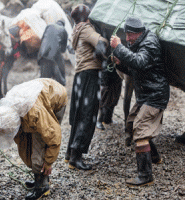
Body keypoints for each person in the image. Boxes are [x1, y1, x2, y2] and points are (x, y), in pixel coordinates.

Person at [110, 16, 170, 186]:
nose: (128, 39)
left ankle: (145, 176)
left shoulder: (149, 43)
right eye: (126, 35)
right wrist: (120, 62)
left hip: (156, 94)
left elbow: (140, 62)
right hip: (145, 94)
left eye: (130, 35)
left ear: (139, 32)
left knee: (140, 129)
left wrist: (119, 47)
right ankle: (154, 157)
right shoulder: (138, 41)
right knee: (131, 123)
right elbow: (133, 68)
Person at [0, 78, 68, 200]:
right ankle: (41, 178)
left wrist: (48, 163)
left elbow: (54, 138)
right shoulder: (9, 111)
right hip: (41, 95)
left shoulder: (35, 114)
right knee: (32, 148)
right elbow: (23, 144)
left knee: (40, 146)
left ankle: (42, 187)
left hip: (56, 97)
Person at [65, 4, 108, 170]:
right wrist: (107, 39)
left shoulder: (76, 28)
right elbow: (100, 42)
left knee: (78, 115)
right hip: (90, 74)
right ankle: (76, 158)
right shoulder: (86, 29)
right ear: (86, 17)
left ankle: (70, 152)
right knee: (88, 114)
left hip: (80, 76)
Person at [37, 18, 68, 86]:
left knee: (44, 79)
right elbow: (63, 49)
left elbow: (42, 39)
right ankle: (62, 82)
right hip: (53, 57)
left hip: (42, 54)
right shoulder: (63, 30)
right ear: (63, 25)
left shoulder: (49, 26)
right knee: (59, 72)